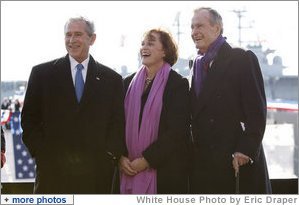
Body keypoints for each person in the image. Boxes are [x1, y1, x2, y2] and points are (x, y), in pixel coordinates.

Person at [21, 16, 125, 194]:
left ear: (92, 39)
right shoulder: (41, 74)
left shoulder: (112, 79)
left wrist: (109, 155)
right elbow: (29, 119)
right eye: (68, 35)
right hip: (52, 174)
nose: (72, 40)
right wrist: (42, 154)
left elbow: (118, 122)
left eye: (78, 34)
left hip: (97, 176)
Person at [189, 7, 272, 194]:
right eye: (192, 27)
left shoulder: (241, 58)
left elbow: (257, 111)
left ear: (217, 29)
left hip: (235, 160)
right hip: (204, 164)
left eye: (199, 26)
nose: (194, 32)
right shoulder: (196, 64)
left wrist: (245, 150)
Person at [120, 29, 191, 194]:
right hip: (127, 168)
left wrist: (146, 160)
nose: (144, 47)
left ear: (165, 51)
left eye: (151, 43)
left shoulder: (177, 84)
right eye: (143, 43)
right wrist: (121, 157)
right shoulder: (127, 83)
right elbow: (117, 124)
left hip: (164, 172)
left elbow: (176, 131)